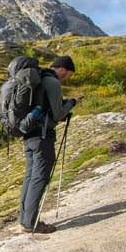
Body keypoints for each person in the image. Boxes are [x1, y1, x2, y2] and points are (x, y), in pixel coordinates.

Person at [18, 55, 78, 234]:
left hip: (29, 134)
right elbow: (57, 113)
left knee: (30, 176)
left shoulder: (39, 78)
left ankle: (24, 219)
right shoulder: (52, 82)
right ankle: (31, 223)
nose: (66, 78)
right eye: (67, 74)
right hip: (43, 137)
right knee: (39, 177)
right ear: (62, 69)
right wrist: (71, 103)